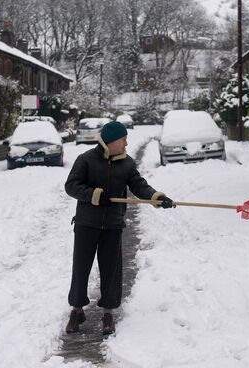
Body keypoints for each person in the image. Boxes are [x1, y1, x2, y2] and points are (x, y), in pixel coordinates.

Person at [64, 120, 174, 334]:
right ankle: (76, 310)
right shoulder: (85, 159)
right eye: (123, 139)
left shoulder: (127, 164)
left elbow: (139, 185)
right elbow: (71, 186)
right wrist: (94, 195)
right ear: (111, 141)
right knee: (81, 267)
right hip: (87, 224)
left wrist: (156, 197)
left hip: (113, 225)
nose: (126, 144)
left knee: (111, 270)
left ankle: (108, 313)